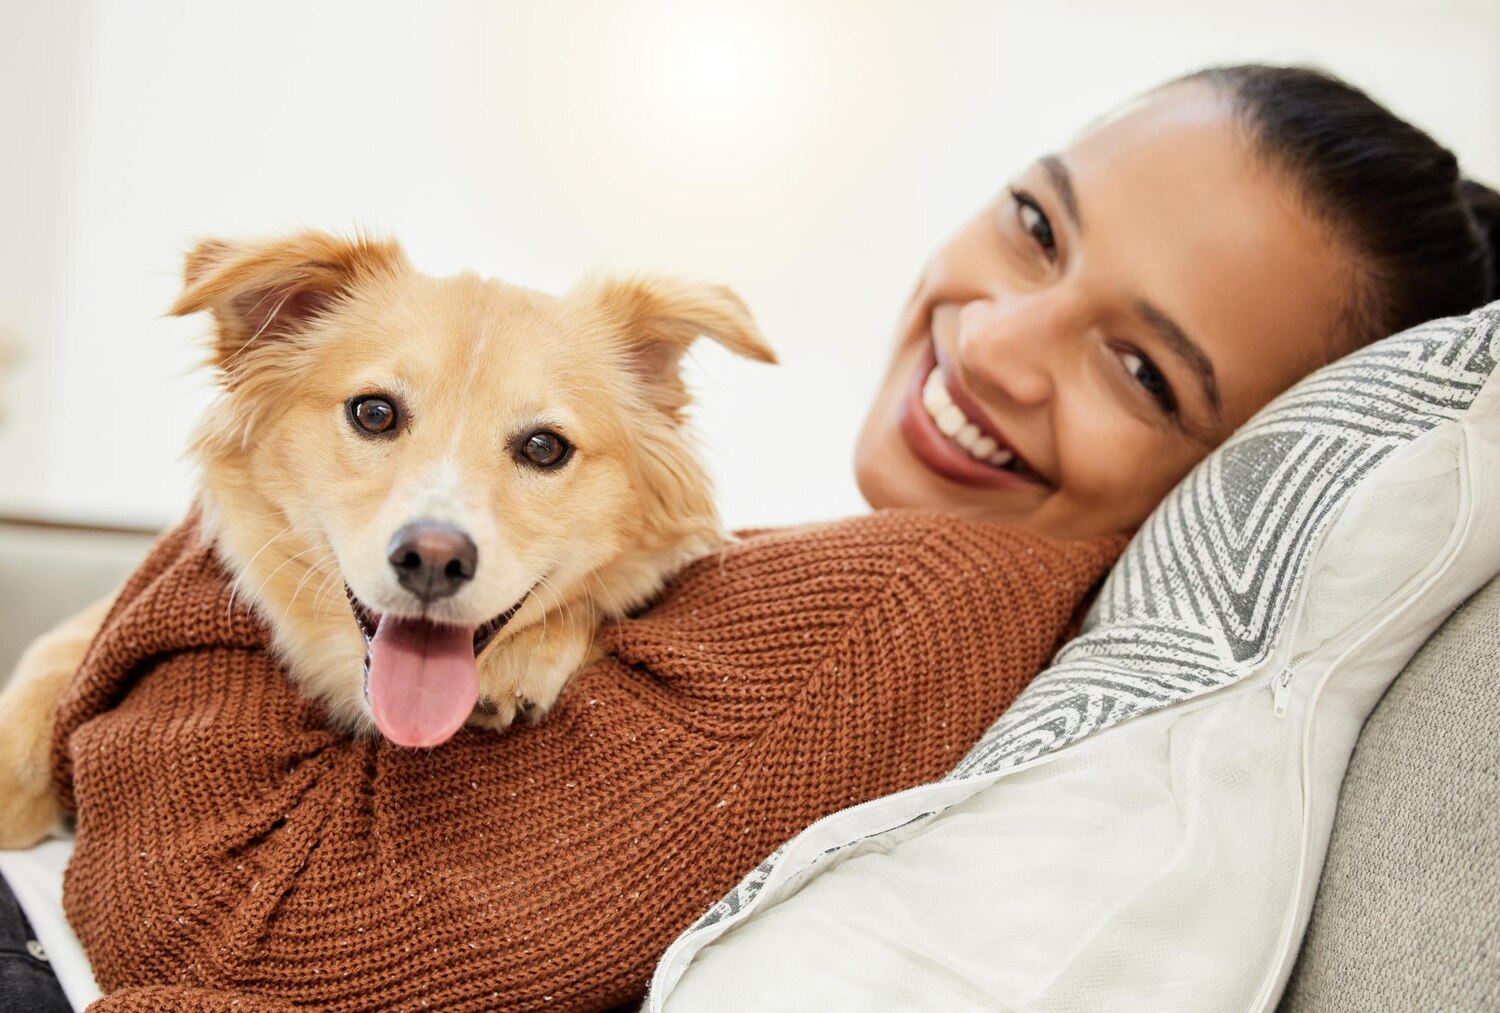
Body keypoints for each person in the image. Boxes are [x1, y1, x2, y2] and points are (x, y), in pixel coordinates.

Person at [9, 64, 1500, 1012]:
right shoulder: (829, 572)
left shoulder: (924, 600)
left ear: (1244, 465)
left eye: (1143, 370)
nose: (997, 342)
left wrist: (224, 538)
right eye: (1039, 227)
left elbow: (220, 932)